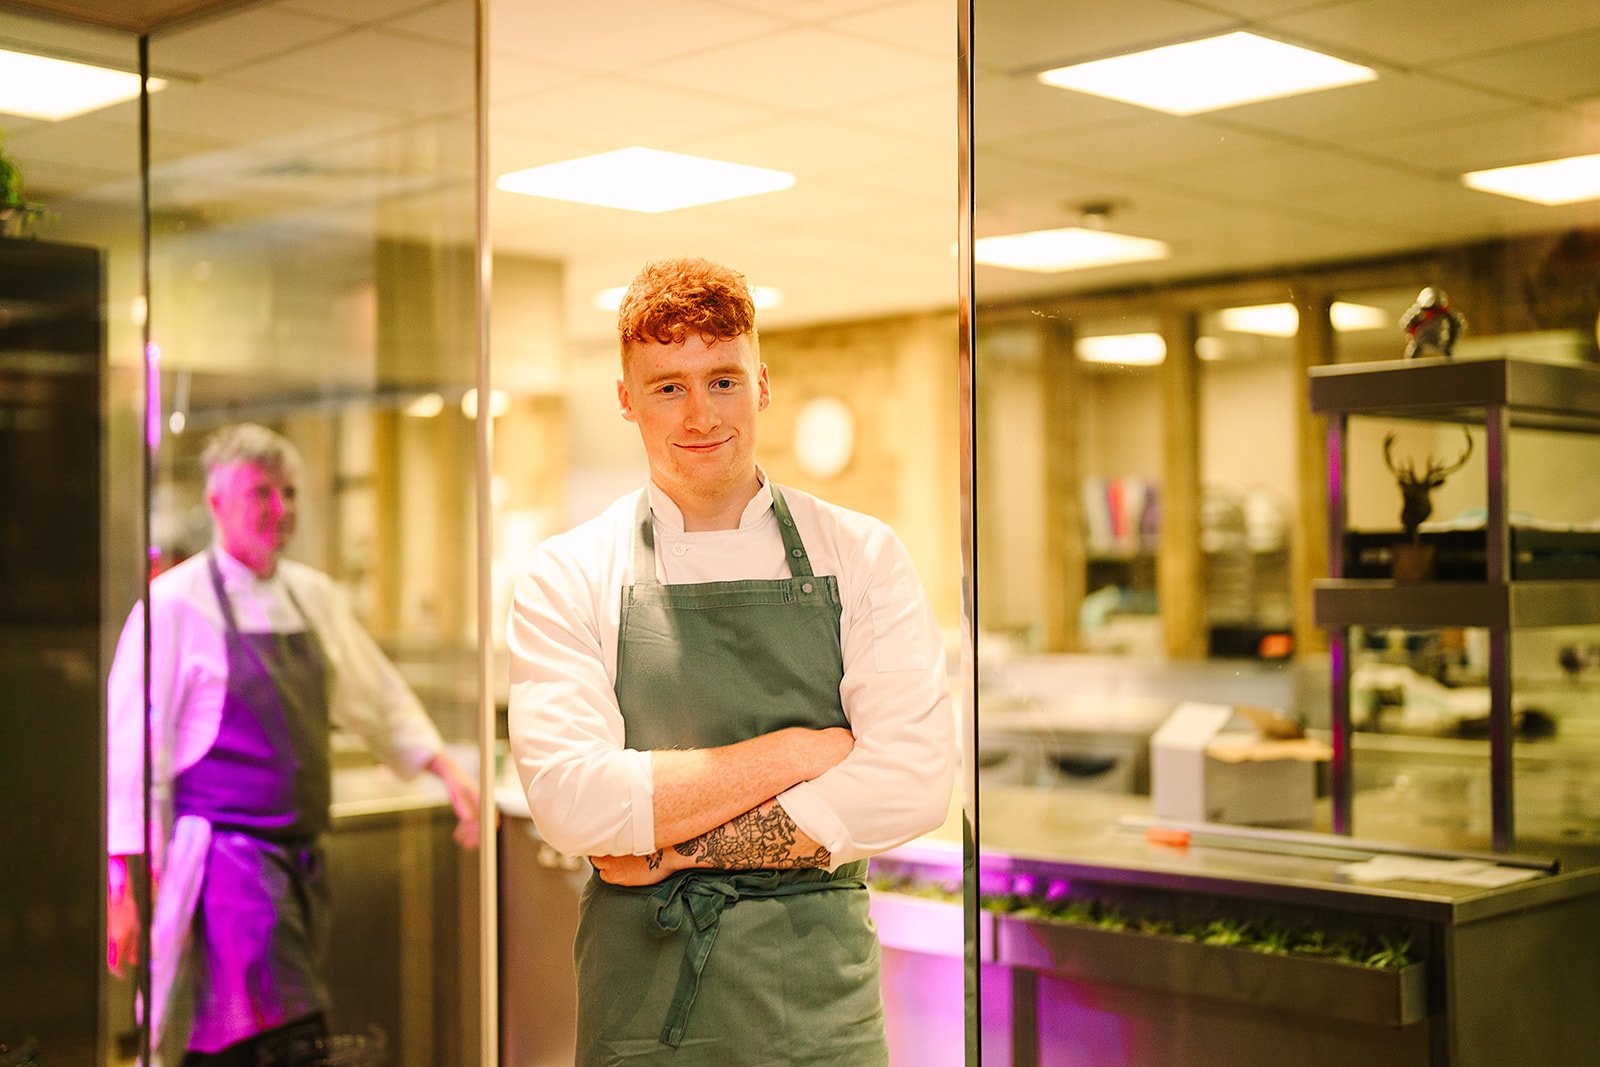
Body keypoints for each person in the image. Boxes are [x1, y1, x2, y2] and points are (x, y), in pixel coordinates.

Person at [507, 257, 956, 1064]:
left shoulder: (860, 553)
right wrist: (797, 752)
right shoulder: (569, 573)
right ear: (625, 399)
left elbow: (916, 779)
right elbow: (573, 801)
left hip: (817, 1008)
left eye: (722, 379)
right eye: (667, 386)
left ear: (763, 384)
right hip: (643, 1008)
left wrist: (673, 846)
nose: (700, 414)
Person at [105, 423, 481, 1065]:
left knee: (240, 1039)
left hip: (305, 860)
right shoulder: (173, 605)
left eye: (290, 492)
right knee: (283, 1033)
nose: (280, 509)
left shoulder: (314, 597)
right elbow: (134, 754)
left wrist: (443, 766)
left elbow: (375, 693)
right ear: (216, 502)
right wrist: (125, 885)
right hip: (228, 865)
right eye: (260, 492)